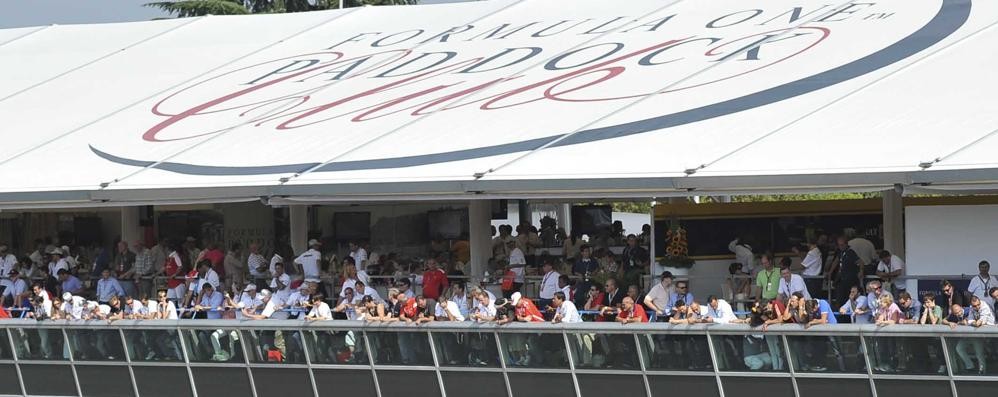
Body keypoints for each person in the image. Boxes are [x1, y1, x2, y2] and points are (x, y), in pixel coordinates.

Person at [829, 236, 864, 309]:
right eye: (839, 245)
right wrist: (830, 272)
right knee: (839, 299)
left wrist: (861, 271)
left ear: (846, 244)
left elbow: (860, 262)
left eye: (842, 245)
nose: (840, 247)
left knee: (848, 299)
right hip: (841, 280)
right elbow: (836, 261)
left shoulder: (850, 252)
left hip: (850, 280)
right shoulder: (840, 252)